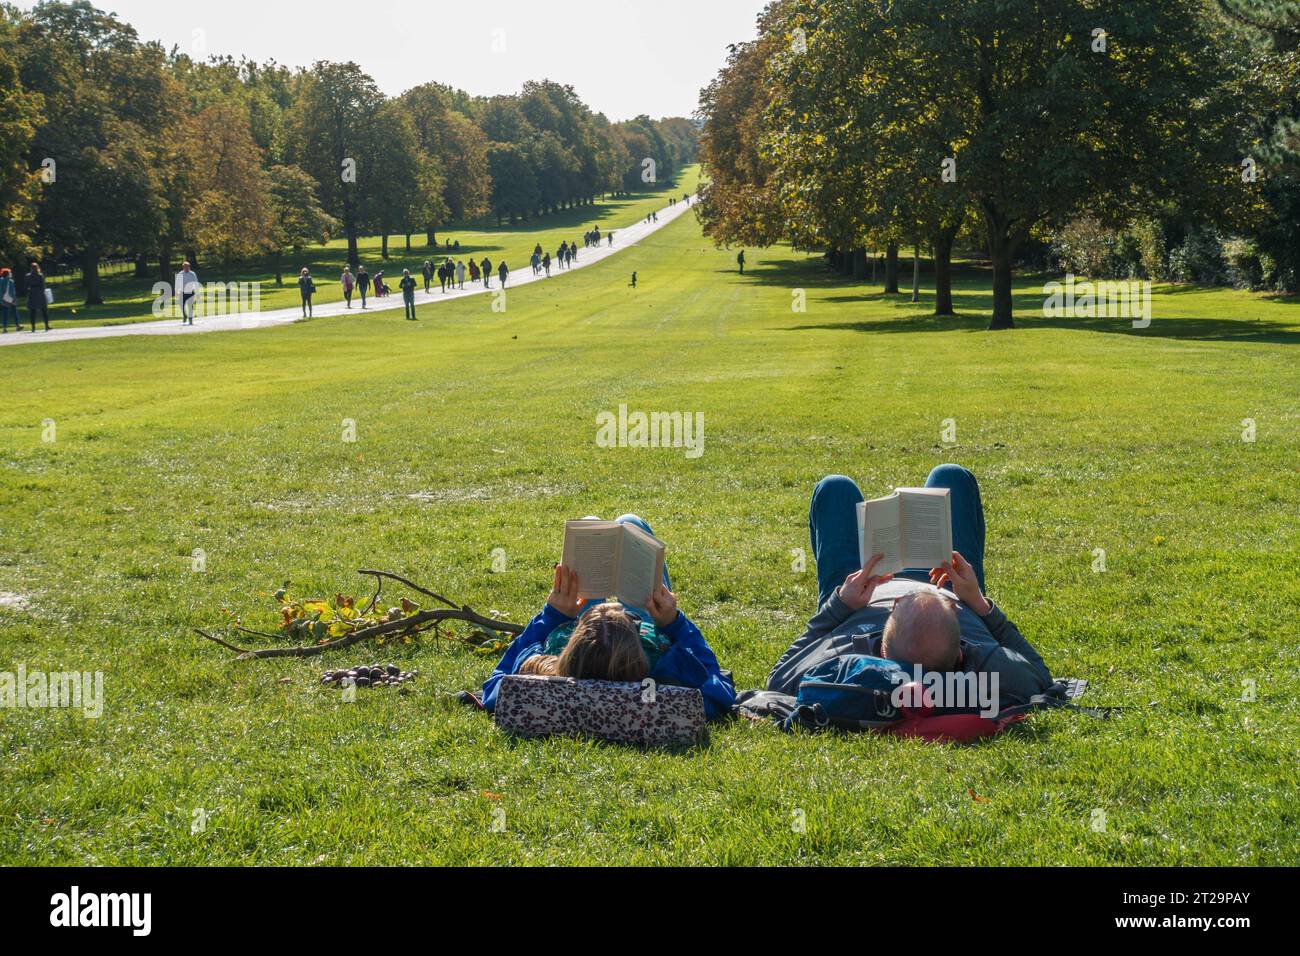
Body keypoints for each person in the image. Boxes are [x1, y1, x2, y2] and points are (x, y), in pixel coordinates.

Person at [766, 466, 1053, 708]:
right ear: (961, 653)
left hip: (861, 594)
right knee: (951, 476)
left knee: (835, 488)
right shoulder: (991, 669)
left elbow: (778, 680)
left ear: (880, 654)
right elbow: (1041, 678)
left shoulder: (844, 660)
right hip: (943, 578)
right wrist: (978, 603)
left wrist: (840, 604)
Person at [481, 521, 735, 719]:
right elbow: (718, 685)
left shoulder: (542, 674)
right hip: (644, 636)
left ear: (571, 647)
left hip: (598, 652)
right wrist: (673, 622)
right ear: (639, 648)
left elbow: (495, 685)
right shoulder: (667, 670)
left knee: (590, 526)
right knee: (631, 525)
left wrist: (553, 615)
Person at [175, 261, 199, 326]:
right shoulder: (180, 274)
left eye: (188, 267)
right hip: (182, 292)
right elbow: (177, 283)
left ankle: (190, 319)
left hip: (190, 292)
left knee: (190, 305)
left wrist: (197, 292)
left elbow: (196, 282)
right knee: (181, 305)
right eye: (185, 267)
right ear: (183, 267)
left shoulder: (192, 274)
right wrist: (176, 291)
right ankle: (185, 315)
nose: (187, 268)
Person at [1, 268, 21, 332]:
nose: (11, 274)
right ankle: (14, 326)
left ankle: (7, 328)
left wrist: (14, 299)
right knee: (10, 313)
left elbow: (12, 292)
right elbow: (11, 292)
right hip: (8, 299)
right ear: (7, 274)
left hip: (7, 299)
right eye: (10, 273)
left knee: (9, 313)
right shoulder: (7, 281)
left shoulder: (7, 281)